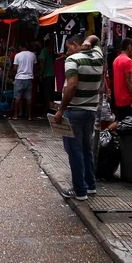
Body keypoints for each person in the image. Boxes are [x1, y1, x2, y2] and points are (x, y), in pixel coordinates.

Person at [52, 34, 104, 201]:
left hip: (74, 111)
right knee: (86, 149)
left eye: (68, 47)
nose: (67, 51)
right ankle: (90, 186)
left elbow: (72, 85)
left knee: (74, 151)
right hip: (90, 111)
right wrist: (89, 41)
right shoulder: (98, 55)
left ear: (76, 44)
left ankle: (79, 190)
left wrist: (61, 109)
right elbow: (95, 37)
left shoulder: (73, 60)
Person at [111, 38, 132, 122]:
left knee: (120, 121)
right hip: (127, 98)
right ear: (129, 46)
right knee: (131, 123)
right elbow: (129, 81)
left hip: (118, 98)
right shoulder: (128, 61)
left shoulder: (116, 60)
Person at [12, 42, 37, 120]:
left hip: (19, 78)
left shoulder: (18, 55)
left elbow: (15, 68)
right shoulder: (33, 55)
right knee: (28, 98)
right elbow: (35, 67)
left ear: (20, 47)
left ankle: (16, 115)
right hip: (29, 78)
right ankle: (29, 116)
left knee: (17, 97)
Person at [37, 40, 56, 113]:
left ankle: (47, 109)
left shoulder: (44, 51)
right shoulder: (54, 51)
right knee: (51, 93)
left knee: (46, 93)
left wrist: (41, 73)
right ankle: (51, 109)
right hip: (54, 75)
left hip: (47, 74)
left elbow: (42, 63)